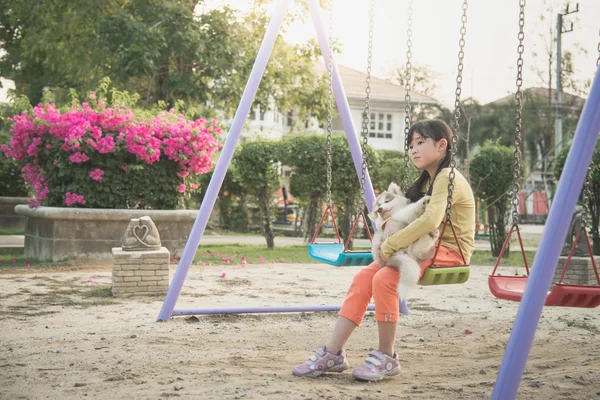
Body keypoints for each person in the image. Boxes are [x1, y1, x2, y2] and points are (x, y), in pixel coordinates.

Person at [293, 119, 475, 381]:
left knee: (385, 280)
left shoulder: (448, 177)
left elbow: (431, 221)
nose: (413, 150)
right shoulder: (427, 180)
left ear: (442, 145)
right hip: (423, 247)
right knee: (363, 278)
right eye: (411, 145)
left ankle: (386, 357)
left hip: (448, 251)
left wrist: (391, 243)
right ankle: (333, 353)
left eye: (420, 143)